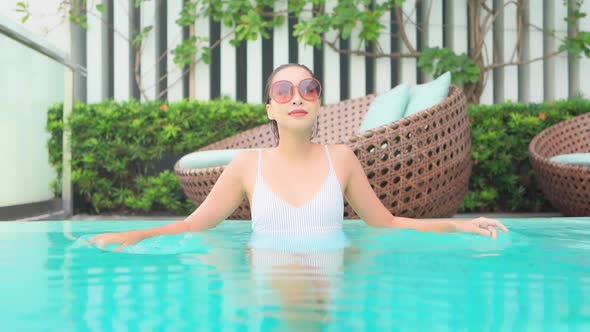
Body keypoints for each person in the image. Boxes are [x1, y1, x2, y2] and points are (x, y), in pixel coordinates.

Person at [90, 63, 509, 251]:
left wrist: (463, 225)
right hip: (266, 298)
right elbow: (192, 225)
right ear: (270, 109)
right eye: (283, 91)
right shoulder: (246, 166)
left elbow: (388, 223)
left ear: (318, 104)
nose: (297, 97)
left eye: (308, 89)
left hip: (329, 297)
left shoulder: (341, 159)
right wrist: (131, 237)